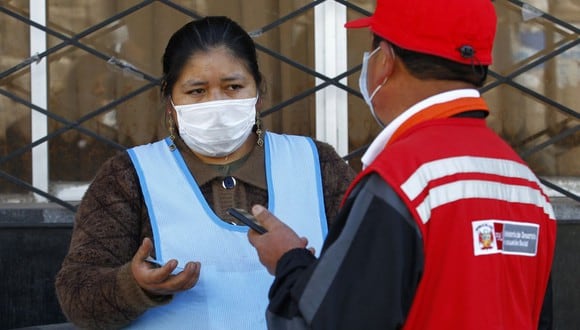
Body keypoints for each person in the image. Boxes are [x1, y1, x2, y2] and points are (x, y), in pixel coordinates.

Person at [247, 0, 557, 329]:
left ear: (386, 61)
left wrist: (288, 261)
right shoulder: (529, 190)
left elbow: (326, 322)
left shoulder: (400, 180)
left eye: (373, 50)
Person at [55, 16, 355, 329]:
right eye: (197, 91)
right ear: (170, 102)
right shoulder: (127, 177)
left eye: (234, 87)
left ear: (259, 94)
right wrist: (134, 285)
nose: (216, 104)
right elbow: (77, 296)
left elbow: (374, 277)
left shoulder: (319, 164)